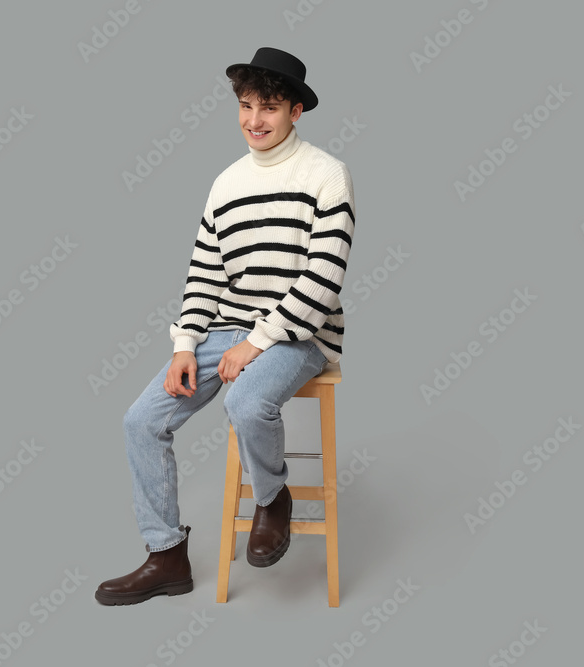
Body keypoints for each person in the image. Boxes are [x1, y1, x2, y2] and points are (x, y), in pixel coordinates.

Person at [95, 47, 356, 606]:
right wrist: (186, 344)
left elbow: (323, 280)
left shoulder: (327, 174)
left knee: (244, 405)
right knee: (141, 421)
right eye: (244, 105)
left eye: (268, 106)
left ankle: (273, 499)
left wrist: (258, 343)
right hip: (226, 331)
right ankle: (166, 556)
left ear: (295, 111)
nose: (253, 120)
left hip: (299, 333)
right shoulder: (226, 183)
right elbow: (205, 274)